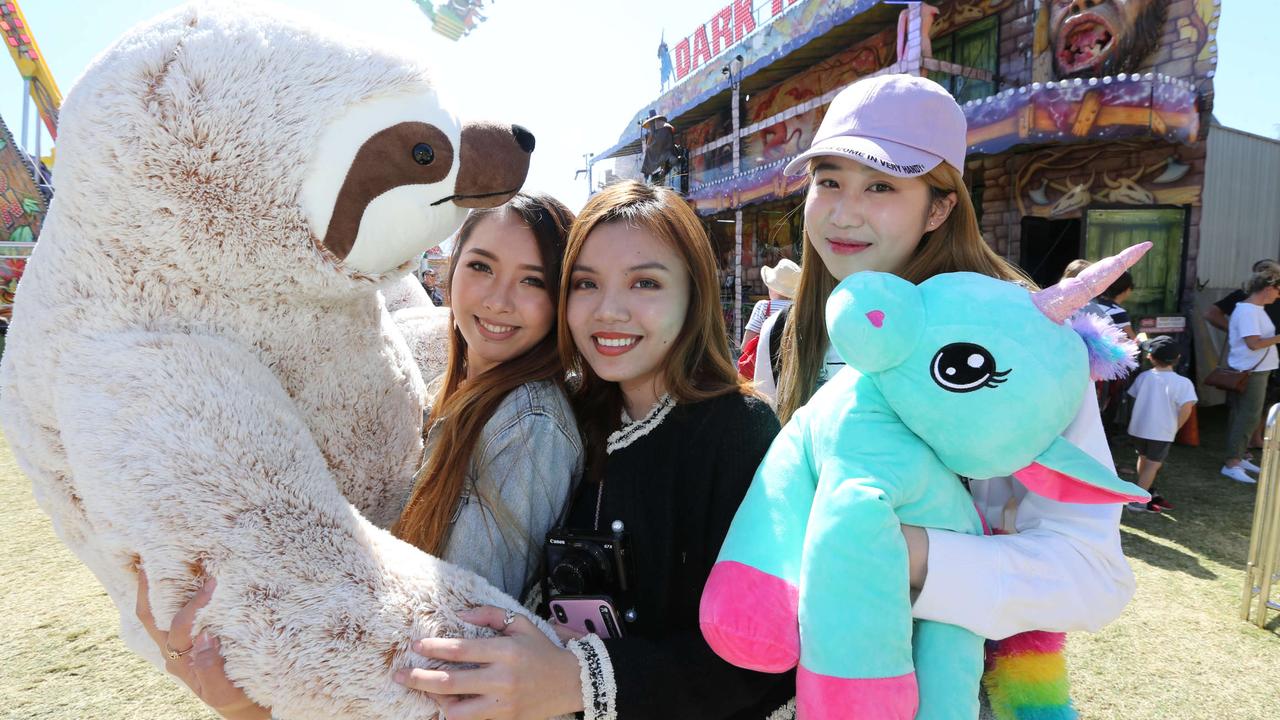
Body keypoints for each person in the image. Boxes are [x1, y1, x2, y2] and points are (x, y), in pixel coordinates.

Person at [134, 193, 585, 719]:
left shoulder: (529, 421)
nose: (499, 299)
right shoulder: (456, 394)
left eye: (532, 280)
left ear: (560, 300)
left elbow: (461, 639)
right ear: (451, 269)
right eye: (481, 266)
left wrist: (248, 706)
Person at [772, 72, 1137, 667]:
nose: (842, 214)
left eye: (882, 187)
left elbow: (1094, 576)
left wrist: (903, 552)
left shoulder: (1015, 340)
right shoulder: (786, 335)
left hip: (951, 683)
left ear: (940, 208)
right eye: (828, 180)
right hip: (802, 674)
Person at [396, 181, 794, 719]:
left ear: (694, 294)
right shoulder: (581, 417)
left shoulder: (737, 430)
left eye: (645, 283)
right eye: (587, 284)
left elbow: (764, 654)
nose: (610, 311)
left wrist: (579, 680)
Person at [1125, 336, 1197, 512]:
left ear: (1150, 357)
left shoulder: (1144, 377)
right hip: (1161, 431)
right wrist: (1175, 427)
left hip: (1138, 429)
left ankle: (1143, 490)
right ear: (1178, 357)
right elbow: (1187, 408)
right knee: (1153, 465)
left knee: (1143, 458)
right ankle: (1139, 500)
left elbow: (1132, 396)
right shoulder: (1183, 383)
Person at [1221, 270, 1280, 484]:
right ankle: (1232, 463)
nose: (1278, 295)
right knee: (1248, 416)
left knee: (1243, 415)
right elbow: (1253, 343)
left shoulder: (1255, 309)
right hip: (1251, 371)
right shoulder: (1248, 311)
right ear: (1267, 289)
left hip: (1253, 370)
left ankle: (1238, 456)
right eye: (1277, 290)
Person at [741, 258, 799, 346]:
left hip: (765, 359)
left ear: (773, 288)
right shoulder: (799, 309)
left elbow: (746, 345)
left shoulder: (763, 307)